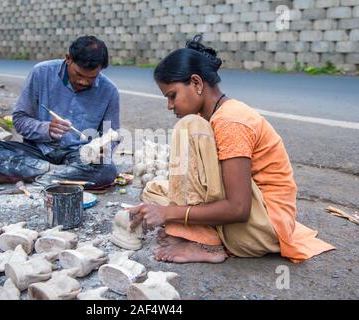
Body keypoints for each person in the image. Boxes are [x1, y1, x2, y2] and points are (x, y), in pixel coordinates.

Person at [129, 35, 334, 264]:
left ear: (196, 83)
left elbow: (239, 209)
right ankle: (198, 231)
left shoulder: (230, 121)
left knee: (189, 127)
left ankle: (207, 244)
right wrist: (162, 210)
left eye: (172, 96)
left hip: (260, 228)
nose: (170, 106)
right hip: (245, 219)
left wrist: (168, 214)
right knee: (153, 191)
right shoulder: (210, 117)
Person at [0, 35, 119, 187]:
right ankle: (56, 173)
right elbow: (19, 119)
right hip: (36, 150)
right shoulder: (41, 73)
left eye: (91, 77)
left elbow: (111, 134)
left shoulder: (109, 91)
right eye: (78, 74)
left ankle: (23, 174)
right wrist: (46, 129)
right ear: (68, 58)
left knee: (107, 171)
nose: (83, 81)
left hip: (79, 156)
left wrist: (102, 149)